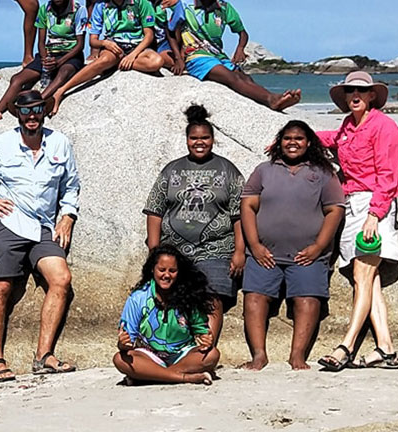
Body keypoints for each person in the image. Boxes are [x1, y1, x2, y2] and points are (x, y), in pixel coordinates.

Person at [0, 90, 82, 381]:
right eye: (26, 111)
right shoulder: (2, 144)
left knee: (61, 279)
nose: (32, 116)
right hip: (10, 223)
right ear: (17, 114)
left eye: (37, 109)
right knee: (2, 287)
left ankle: (43, 356)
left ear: (44, 111)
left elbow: (71, 185)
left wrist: (68, 216)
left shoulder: (60, 143)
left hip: (44, 226)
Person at [314, 72, 398, 371]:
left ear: (372, 96)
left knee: (362, 277)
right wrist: (294, 135)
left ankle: (346, 346)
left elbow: (388, 176)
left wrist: (374, 216)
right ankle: (386, 349)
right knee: (368, 280)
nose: (355, 94)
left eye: (361, 91)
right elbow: (332, 140)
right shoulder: (348, 126)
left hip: (372, 205)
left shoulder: (385, 127)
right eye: (350, 90)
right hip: (353, 203)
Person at [238, 121, 346, 370]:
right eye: (287, 138)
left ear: (308, 143)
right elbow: (248, 205)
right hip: (265, 253)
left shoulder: (322, 173)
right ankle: (259, 355)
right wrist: (254, 245)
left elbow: (334, 210)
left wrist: (319, 246)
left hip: (307, 254)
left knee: (307, 299)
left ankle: (297, 355)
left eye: (298, 138)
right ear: (279, 142)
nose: (292, 143)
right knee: (254, 297)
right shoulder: (264, 170)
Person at [142, 105, 244, 341]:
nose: (200, 142)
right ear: (187, 140)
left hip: (216, 248)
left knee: (211, 295)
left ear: (213, 140)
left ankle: (205, 347)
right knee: (176, 297)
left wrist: (240, 251)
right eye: (194, 138)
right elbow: (154, 210)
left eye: (205, 138)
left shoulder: (227, 170)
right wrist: (155, 251)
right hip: (175, 250)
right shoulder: (171, 170)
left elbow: (239, 214)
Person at [46, 0, 168, 115]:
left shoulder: (139, 0)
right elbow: (93, 40)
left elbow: (149, 34)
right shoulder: (101, 5)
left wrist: (132, 55)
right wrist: (105, 43)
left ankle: (117, 64)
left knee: (157, 61)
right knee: (103, 60)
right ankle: (61, 91)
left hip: (137, 46)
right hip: (114, 46)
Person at [180, 0, 301, 111]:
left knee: (245, 78)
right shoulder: (184, 5)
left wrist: (240, 48)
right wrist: (179, 59)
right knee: (232, 78)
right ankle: (271, 99)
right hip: (196, 56)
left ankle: (273, 99)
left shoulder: (223, 7)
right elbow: (171, 31)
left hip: (218, 55)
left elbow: (242, 32)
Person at [112, 245, 220, 385]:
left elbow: (201, 330)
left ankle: (149, 376)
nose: (166, 275)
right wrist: (122, 344)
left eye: (172, 271)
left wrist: (206, 339)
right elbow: (127, 341)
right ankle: (184, 377)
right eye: (161, 270)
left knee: (212, 355)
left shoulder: (189, 295)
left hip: (182, 354)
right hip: (149, 355)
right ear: (152, 269)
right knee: (120, 359)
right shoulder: (138, 298)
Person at [133, 0, 185, 72]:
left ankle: (179, 54)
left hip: (162, 41)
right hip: (142, 40)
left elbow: (183, 12)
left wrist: (177, 2)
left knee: (170, 61)